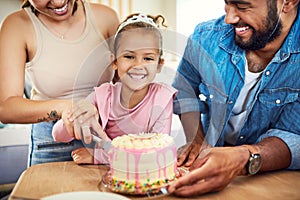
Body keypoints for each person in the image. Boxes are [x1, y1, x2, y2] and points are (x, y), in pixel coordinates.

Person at [168, 0, 300, 197]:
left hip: (275, 179)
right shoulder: (206, 37)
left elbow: (294, 134)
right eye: (227, 3)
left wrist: (243, 158)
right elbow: (184, 89)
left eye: (243, 6)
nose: (229, 18)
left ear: (287, 2)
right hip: (208, 167)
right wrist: (197, 139)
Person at [0, 0, 120, 166]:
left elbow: (125, 84)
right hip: (51, 141)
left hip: (105, 135)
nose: (58, 2)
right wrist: (67, 108)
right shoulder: (16, 26)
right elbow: (6, 108)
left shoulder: (107, 17)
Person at [52, 13, 177, 164]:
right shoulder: (103, 95)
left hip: (142, 175)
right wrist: (75, 114)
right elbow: (58, 135)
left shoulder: (163, 98)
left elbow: (156, 154)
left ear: (159, 65)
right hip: (107, 174)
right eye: (129, 56)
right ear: (114, 61)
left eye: (148, 58)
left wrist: (97, 157)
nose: (138, 65)